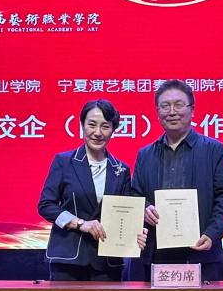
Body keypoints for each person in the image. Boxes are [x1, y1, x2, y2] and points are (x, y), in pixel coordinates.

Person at [132, 79, 223, 281]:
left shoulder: (214, 150)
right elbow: (135, 194)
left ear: (192, 110)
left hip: (201, 251)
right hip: (157, 255)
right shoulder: (145, 155)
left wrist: (212, 234)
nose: (172, 112)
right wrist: (144, 208)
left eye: (179, 105)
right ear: (157, 112)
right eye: (165, 106)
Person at [38, 99, 146, 281]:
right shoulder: (64, 162)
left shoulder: (121, 170)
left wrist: (134, 233)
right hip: (68, 258)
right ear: (82, 125)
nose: (97, 132)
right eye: (92, 125)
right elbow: (46, 205)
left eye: (105, 126)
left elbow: (125, 213)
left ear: (113, 130)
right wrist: (80, 223)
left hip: (107, 260)